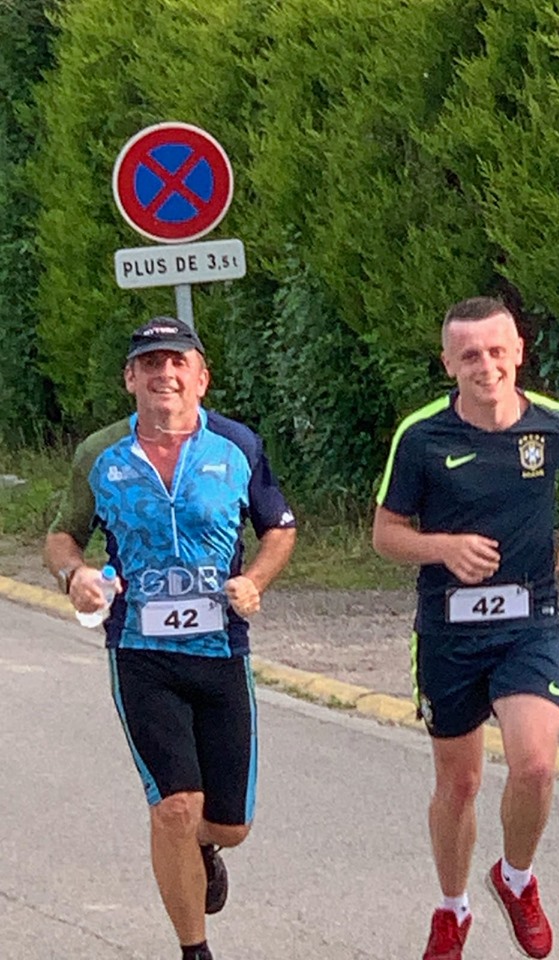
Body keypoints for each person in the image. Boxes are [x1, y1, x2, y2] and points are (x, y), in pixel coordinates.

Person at [45, 316, 297, 960]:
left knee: (229, 824)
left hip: (220, 651)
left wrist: (255, 581)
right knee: (175, 807)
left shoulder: (237, 445)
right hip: (141, 652)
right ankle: (194, 950)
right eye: (151, 364)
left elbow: (279, 528)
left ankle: (204, 848)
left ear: (201, 378)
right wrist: (75, 575)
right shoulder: (100, 455)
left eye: (178, 362)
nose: (165, 374)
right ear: (130, 379)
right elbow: (62, 536)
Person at [372, 297, 559, 960]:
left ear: (519, 352)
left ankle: (516, 878)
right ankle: (452, 909)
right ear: (448, 362)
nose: (487, 366)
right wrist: (443, 548)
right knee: (462, 784)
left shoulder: (554, 425)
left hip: (529, 622)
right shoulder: (421, 437)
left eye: (498, 351)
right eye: (470, 355)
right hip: (448, 632)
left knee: (535, 764)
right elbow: (386, 535)